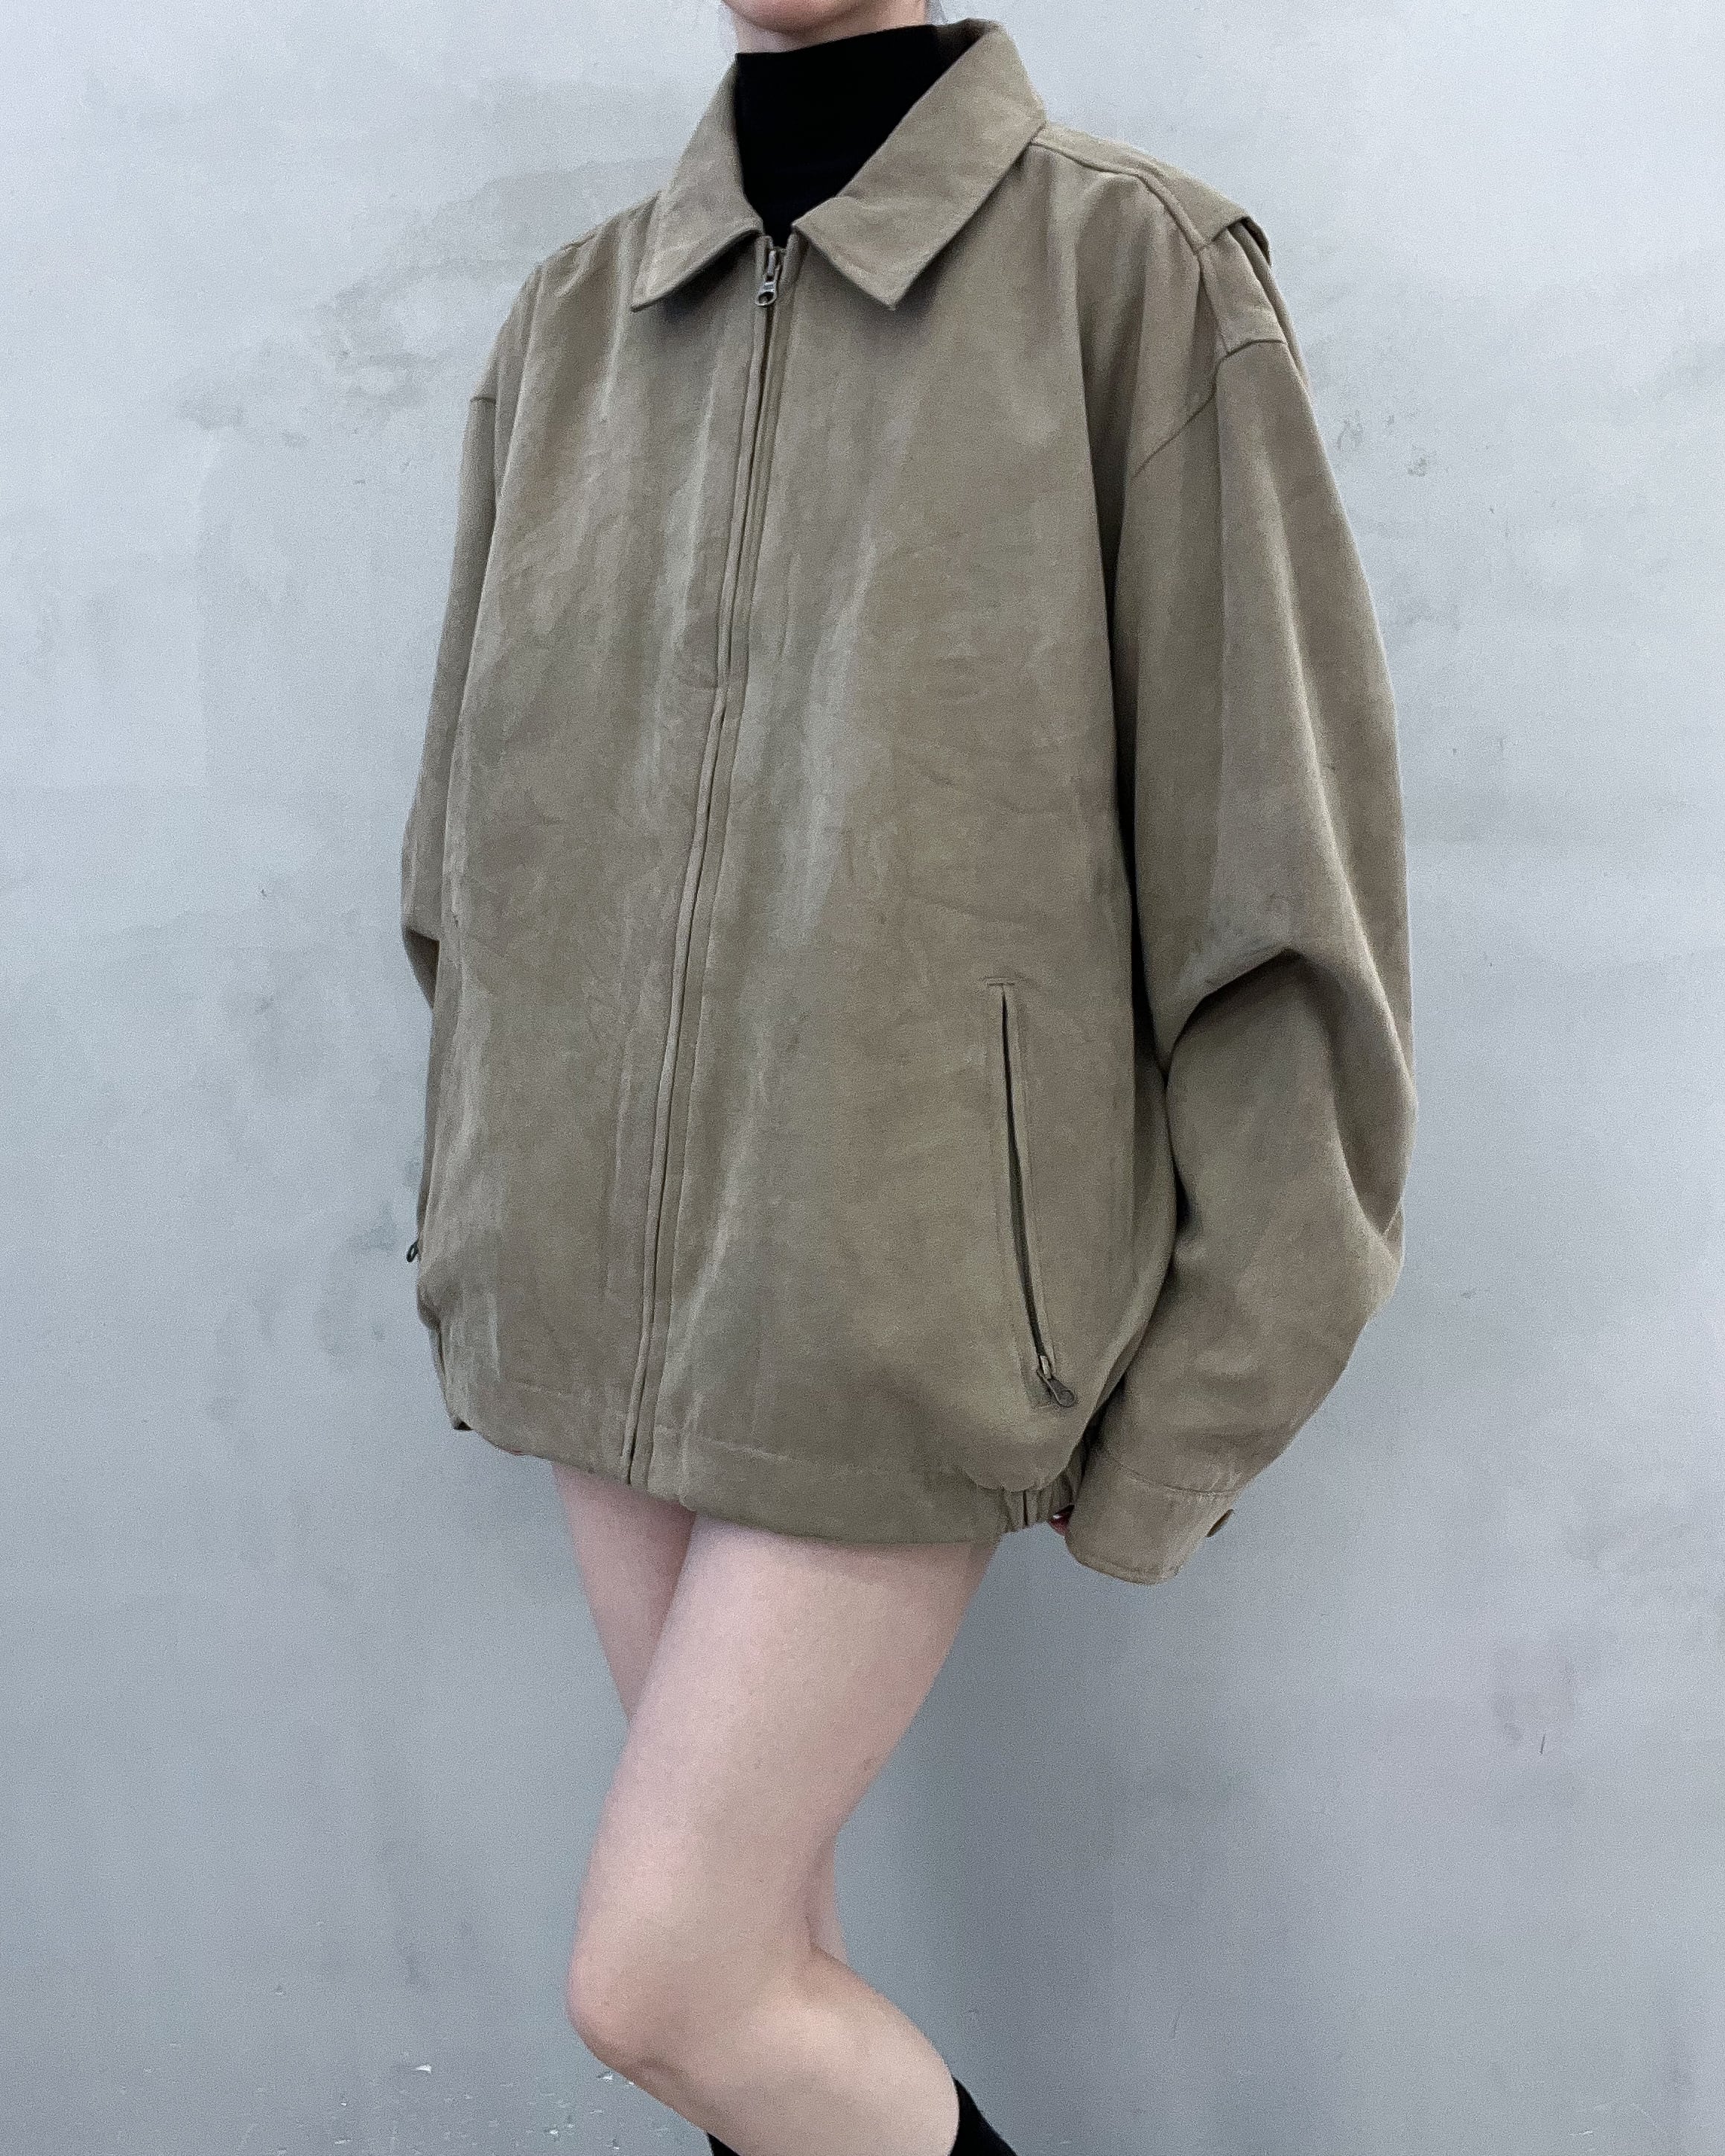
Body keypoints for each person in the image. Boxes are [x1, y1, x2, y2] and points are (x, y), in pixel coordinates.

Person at [396, 4, 1417, 2151]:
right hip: (582, 1304)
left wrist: (1183, 1416)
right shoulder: (572, 324)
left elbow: (1278, 897)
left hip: (900, 1316)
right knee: (760, 1994)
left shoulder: (1133, 274)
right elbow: (459, 866)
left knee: (666, 1985)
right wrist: (482, 1220)